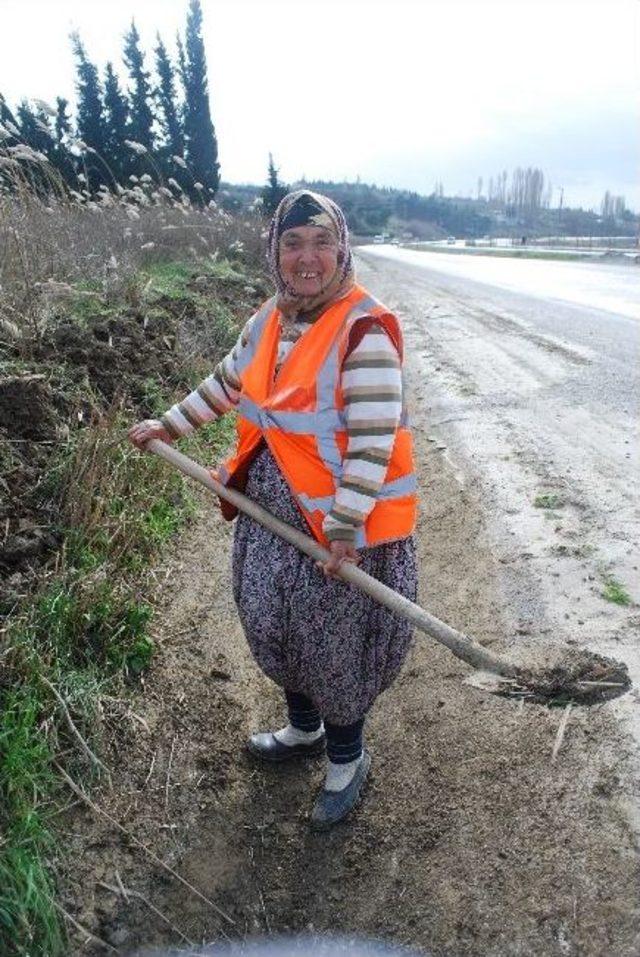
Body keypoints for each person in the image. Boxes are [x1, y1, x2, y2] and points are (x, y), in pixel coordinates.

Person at [129, 190, 418, 829]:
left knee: (335, 647)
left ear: (342, 249)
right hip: (270, 521)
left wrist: (343, 530)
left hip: (341, 529)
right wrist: (168, 427)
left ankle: (347, 759)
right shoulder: (269, 319)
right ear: (275, 252)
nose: (306, 258)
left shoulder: (363, 329)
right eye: (293, 244)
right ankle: (303, 730)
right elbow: (226, 384)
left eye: (321, 243)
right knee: (275, 626)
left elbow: (373, 444)